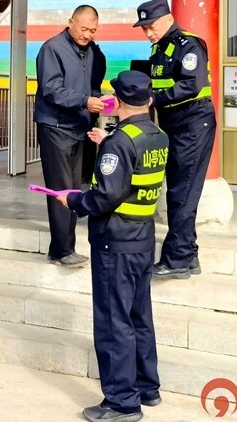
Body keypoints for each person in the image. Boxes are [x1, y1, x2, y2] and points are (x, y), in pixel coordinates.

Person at [57, 70, 168, 422]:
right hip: (142, 238)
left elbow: (104, 196)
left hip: (115, 243)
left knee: (112, 321)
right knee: (139, 316)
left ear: (117, 101)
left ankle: (122, 402)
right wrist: (108, 143)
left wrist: (73, 200)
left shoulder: (119, 142)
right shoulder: (157, 135)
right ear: (149, 100)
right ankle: (146, 387)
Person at [133, 0, 216, 280]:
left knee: (182, 192)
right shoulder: (160, 47)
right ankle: (188, 254)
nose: (148, 32)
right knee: (180, 190)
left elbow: (191, 84)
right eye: (144, 28)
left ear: (168, 19)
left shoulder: (188, 45)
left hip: (193, 125)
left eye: (151, 26)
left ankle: (176, 259)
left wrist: (153, 100)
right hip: (176, 125)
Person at [35, 5, 106, 267]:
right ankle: (61, 250)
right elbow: (51, 89)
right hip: (55, 127)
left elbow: (92, 86)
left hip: (78, 126)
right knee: (61, 187)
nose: (88, 35)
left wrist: (98, 100)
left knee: (75, 187)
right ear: (71, 22)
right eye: (84, 29)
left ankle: (67, 246)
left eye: (93, 31)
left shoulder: (94, 52)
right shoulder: (52, 49)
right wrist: (85, 101)